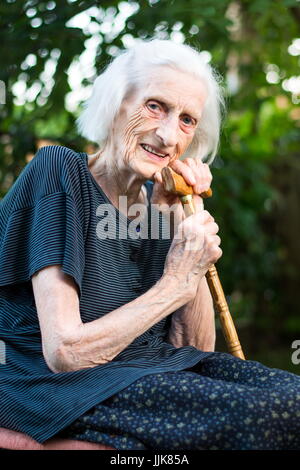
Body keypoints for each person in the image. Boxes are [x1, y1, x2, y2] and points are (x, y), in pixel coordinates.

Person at [0, 38, 299, 451]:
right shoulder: (60, 172)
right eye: (155, 105)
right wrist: (175, 282)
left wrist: (180, 219)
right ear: (115, 104)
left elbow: (192, 351)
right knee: (281, 416)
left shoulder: (159, 203)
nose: (167, 134)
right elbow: (65, 353)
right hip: (57, 389)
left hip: (146, 378)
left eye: (187, 120)